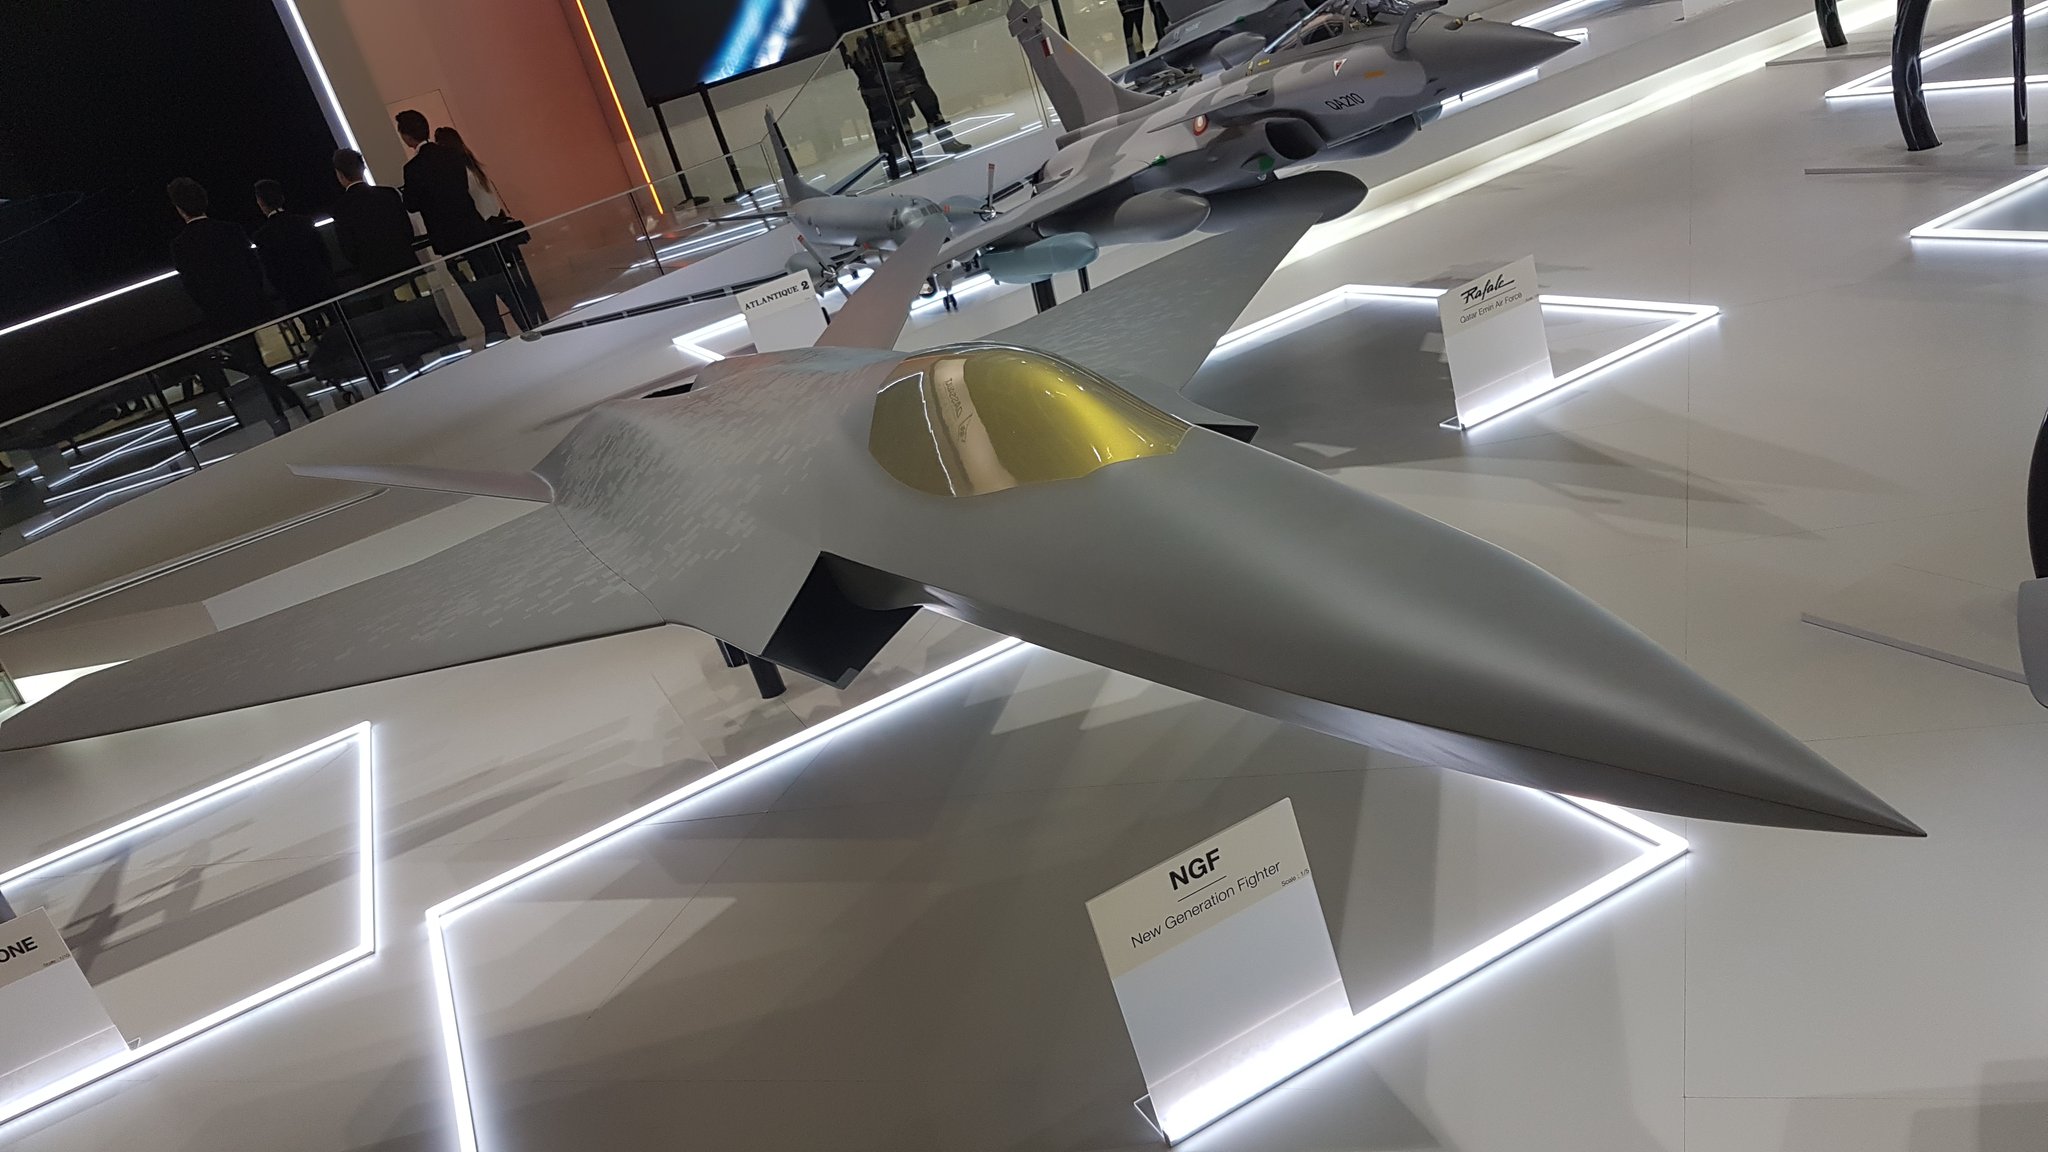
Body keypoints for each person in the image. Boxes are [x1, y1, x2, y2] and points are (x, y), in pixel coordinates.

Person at [165, 177, 314, 433]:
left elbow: (192, 287)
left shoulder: (181, 246)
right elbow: (253, 268)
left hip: (222, 317)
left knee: (250, 366)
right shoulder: (231, 230)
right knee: (253, 365)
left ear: (179, 209)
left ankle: (283, 411)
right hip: (252, 307)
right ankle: (287, 408)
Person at [395, 109, 513, 341]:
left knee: (474, 291)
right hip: (474, 228)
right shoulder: (451, 155)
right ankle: (524, 320)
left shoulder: (413, 169)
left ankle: (495, 332)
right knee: (497, 279)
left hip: (449, 239)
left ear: (407, 137)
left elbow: (411, 204)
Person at [435, 126, 544, 326]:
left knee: (493, 282)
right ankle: (531, 318)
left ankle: (521, 321)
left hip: (484, 231)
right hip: (497, 226)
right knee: (511, 280)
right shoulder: (474, 167)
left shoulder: (458, 172)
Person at [329, 148, 419, 288]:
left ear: (340, 174)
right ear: (363, 168)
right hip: (407, 265)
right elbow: (407, 231)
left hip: (375, 275)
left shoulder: (341, 209)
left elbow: (349, 250)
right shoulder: (389, 194)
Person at [251, 178, 339, 315]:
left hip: (295, 296)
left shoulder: (262, 236)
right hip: (322, 286)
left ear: (260, 202)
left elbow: (272, 272)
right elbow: (324, 254)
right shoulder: (304, 222)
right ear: (282, 198)